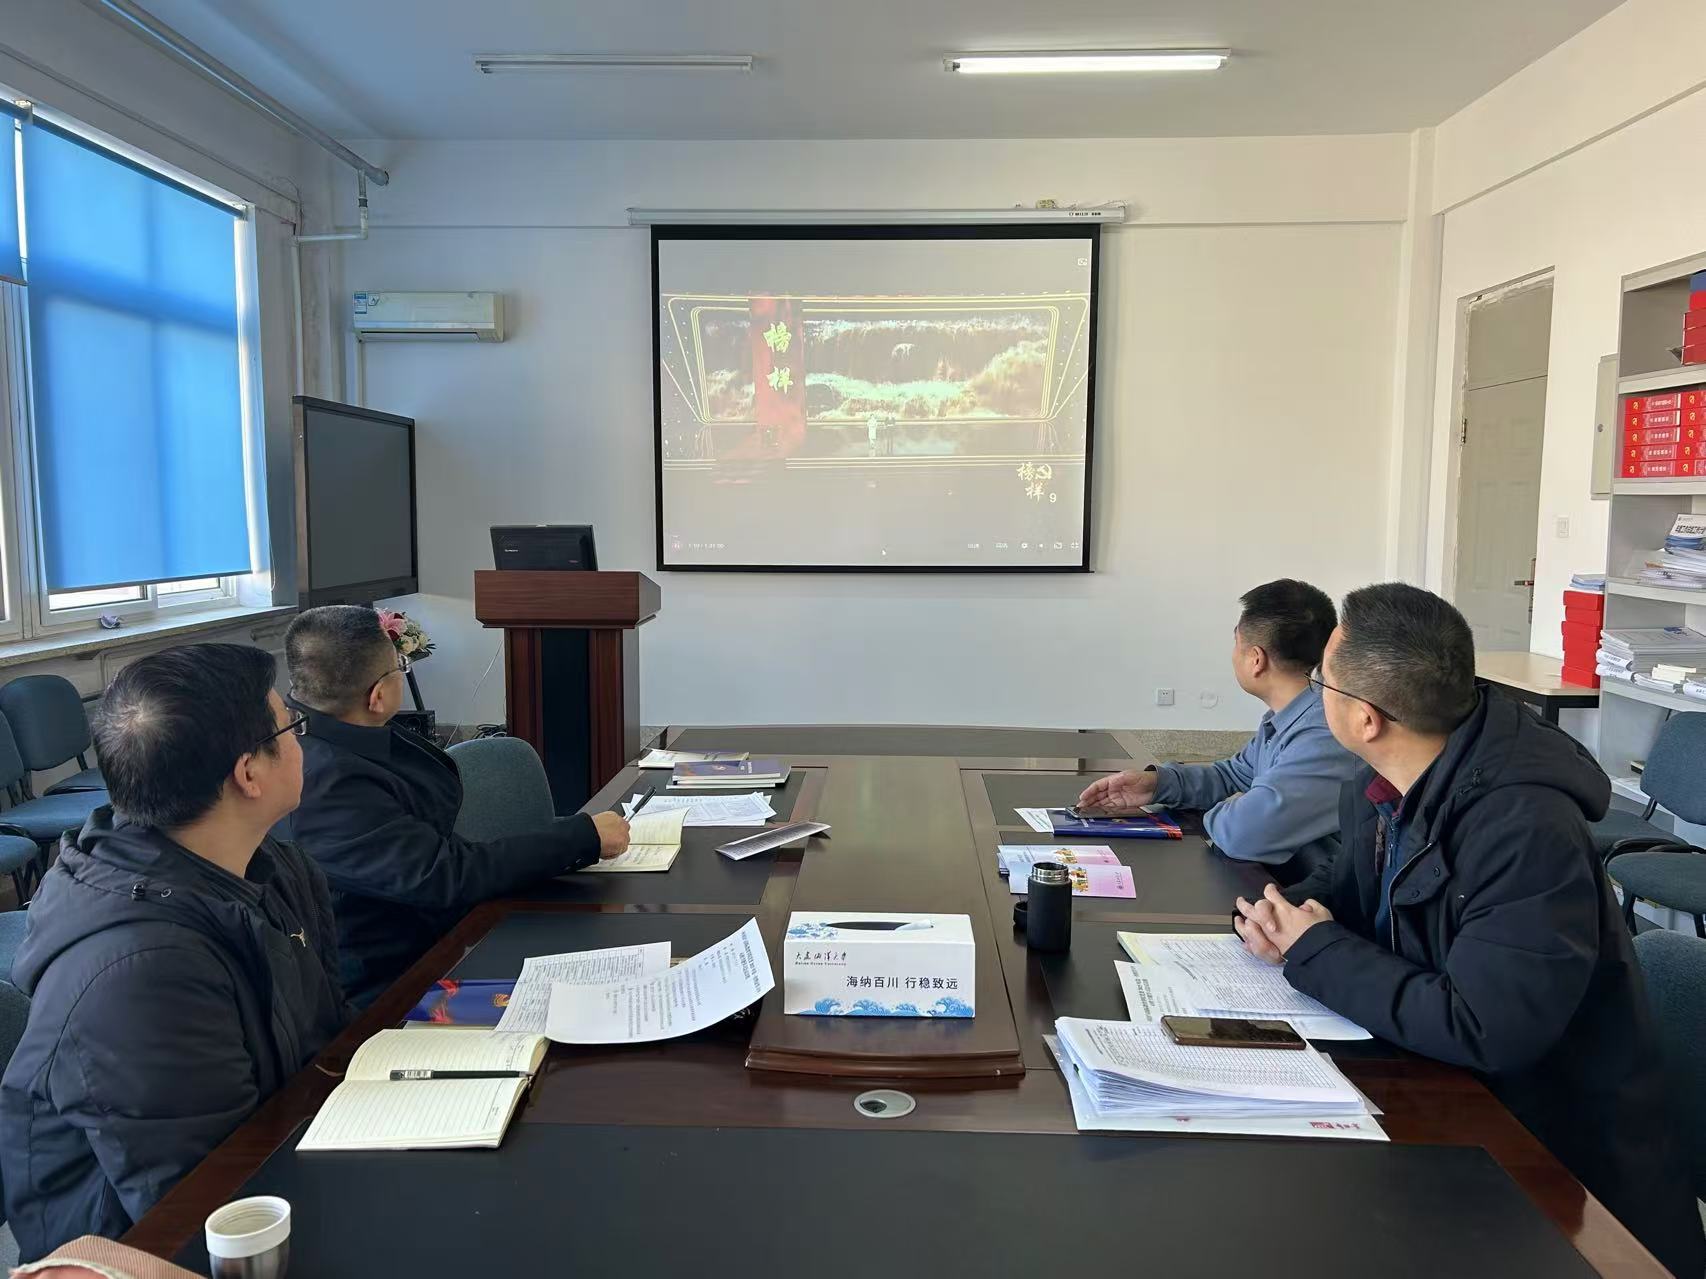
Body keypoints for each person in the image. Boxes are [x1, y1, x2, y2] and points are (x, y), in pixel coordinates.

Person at [1233, 583, 1705, 1278]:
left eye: (1322, 681)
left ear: (1365, 718)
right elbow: (1349, 890)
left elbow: (1484, 1026)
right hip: (1447, 1097)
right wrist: (1281, 911)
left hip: (1559, 1178)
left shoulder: (1525, 829)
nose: (1313, 692)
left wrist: (1316, 949)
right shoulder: (1382, 783)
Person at [0, 645, 350, 1260]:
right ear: (249, 774)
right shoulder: (140, 974)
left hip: (286, 1159)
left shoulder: (270, 866)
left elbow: (326, 1042)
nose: (303, 741)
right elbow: (201, 1214)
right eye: (291, 726)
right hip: (153, 1248)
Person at [278, 605, 629, 1007]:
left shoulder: (341, 732)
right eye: (401, 668)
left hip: (444, 934)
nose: (403, 675)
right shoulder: (325, 783)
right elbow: (444, 874)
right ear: (378, 695)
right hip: (395, 985)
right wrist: (581, 837)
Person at [1077, 580, 1360, 883]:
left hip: (1316, 901)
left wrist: (1230, 810)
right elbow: (1233, 775)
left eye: (1236, 643)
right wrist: (1159, 784)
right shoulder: (1289, 716)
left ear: (1256, 659)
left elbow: (1243, 833)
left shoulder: (1325, 732)